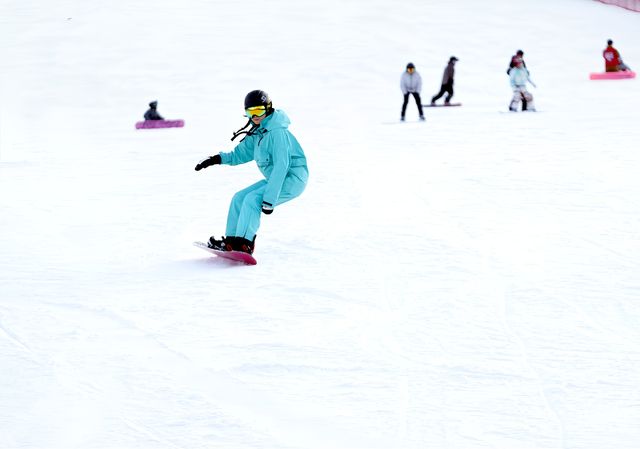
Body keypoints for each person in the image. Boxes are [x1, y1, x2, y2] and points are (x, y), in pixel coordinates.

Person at [194, 90, 309, 254]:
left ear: (268, 108)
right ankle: (231, 241)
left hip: (293, 179)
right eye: (250, 112)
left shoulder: (277, 132)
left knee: (252, 199)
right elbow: (238, 155)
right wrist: (215, 159)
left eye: (259, 111)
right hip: (277, 179)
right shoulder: (258, 133)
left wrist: (269, 199)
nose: (255, 116)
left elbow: (282, 165)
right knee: (239, 198)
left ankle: (244, 243)